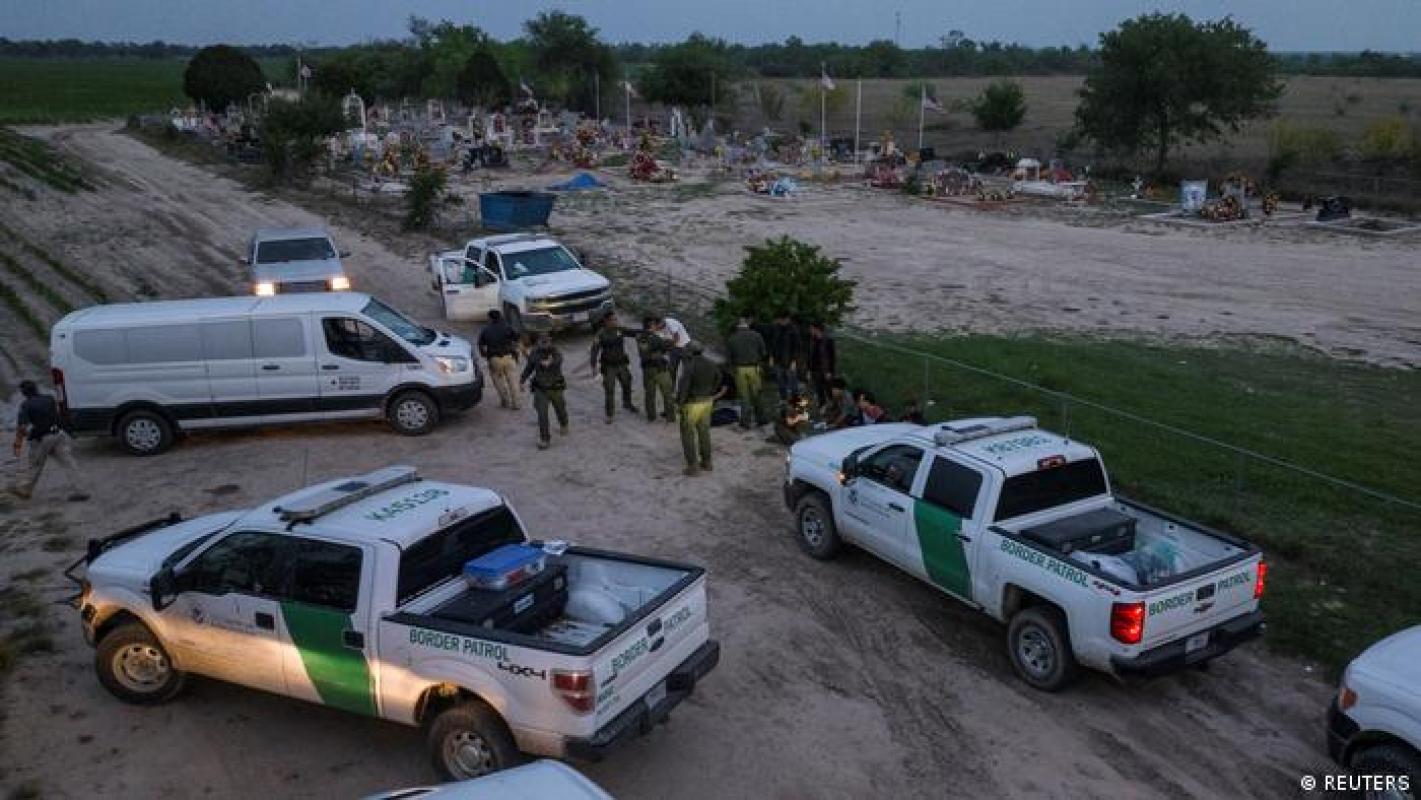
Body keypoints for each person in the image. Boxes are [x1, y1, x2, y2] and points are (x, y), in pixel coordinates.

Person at [10, 380, 88, 501]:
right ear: (36, 388)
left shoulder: (26, 405)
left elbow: (23, 427)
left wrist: (28, 437)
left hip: (42, 439)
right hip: (58, 435)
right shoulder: (49, 398)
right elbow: (56, 416)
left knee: (35, 465)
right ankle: (81, 490)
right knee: (68, 463)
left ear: (24, 393)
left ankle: (25, 490)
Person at [675, 341, 724, 476]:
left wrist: (680, 403)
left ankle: (693, 466)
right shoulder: (711, 363)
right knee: (704, 432)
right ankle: (707, 462)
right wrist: (711, 391)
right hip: (707, 402)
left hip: (692, 404)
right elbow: (719, 378)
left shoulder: (690, 366)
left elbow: (684, 387)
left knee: (687, 434)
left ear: (689, 352)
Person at [520, 335, 568, 450]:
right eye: (542, 343)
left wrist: (550, 363)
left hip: (555, 387)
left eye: (547, 342)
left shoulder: (556, 352)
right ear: (538, 343)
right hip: (540, 389)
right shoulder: (535, 353)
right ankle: (545, 439)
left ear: (550, 343)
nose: (545, 345)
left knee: (560, 409)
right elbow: (529, 367)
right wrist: (522, 380)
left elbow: (558, 361)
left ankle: (564, 424)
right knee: (542, 414)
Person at [588, 311, 638, 423]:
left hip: (621, 363)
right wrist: (593, 366)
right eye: (613, 320)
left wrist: (646, 331)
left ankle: (627, 403)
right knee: (609, 389)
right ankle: (609, 414)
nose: (615, 321)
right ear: (606, 321)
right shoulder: (601, 334)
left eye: (616, 319)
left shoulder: (619, 329)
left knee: (627, 383)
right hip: (609, 366)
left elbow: (632, 332)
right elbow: (594, 350)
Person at [724, 316, 768, 429]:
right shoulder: (757, 335)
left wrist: (732, 370)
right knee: (757, 394)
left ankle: (746, 422)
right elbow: (763, 352)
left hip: (740, 369)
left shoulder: (732, 339)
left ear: (737, 326)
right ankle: (761, 419)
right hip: (754, 368)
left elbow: (729, 359)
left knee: (744, 396)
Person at [476, 309, 521, 410]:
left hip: (494, 359)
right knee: (513, 381)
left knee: (498, 381)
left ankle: (505, 401)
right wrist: (514, 347)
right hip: (509, 357)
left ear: (490, 318)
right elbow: (517, 337)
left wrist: (485, 355)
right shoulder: (507, 327)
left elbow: (481, 345)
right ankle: (516, 403)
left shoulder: (486, 330)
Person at [638, 316, 676, 423]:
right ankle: (669, 416)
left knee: (650, 394)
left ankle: (652, 416)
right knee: (666, 393)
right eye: (656, 324)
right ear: (651, 325)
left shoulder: (642, 337)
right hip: (658, 369)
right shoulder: (653, 337)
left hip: (650, 369)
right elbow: (667, 346)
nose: (658, 326)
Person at [767, 312, 802, 400]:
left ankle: (795, 399)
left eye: (783, 320)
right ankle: (783, 399)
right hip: (778, 359)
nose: (781, 322)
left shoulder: (793, 330)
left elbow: (796, 346)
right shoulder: (775, 329)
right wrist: (771, 357)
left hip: (789, 359)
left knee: (792, 381)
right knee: (780, 381)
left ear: (787, 319)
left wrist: (794, 360)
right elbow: (771, 344)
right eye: (780, 320)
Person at [806, 322, 837, 407]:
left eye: (811, 328)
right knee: (818, 387)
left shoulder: (828, 341)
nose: (810, 330)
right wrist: (809, 369)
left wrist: (830, 371)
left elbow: (832, 357)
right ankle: (822, 404)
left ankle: (832, 404)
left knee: (828, 388)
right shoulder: (812, 340)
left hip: (825, 369)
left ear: (816, 329)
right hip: (815, 369)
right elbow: (810, 356)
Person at [656, 315, 691, 381]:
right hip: (674, 347)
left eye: (658, 325)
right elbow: (661, 340)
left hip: (685, 345)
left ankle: (685, 385)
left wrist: (666, 347)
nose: (658, 327)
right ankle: (671, 385)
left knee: (687, 369)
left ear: (661, 321)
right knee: (672, 368)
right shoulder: (658, 328)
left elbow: (676, 338)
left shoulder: (670, 323)